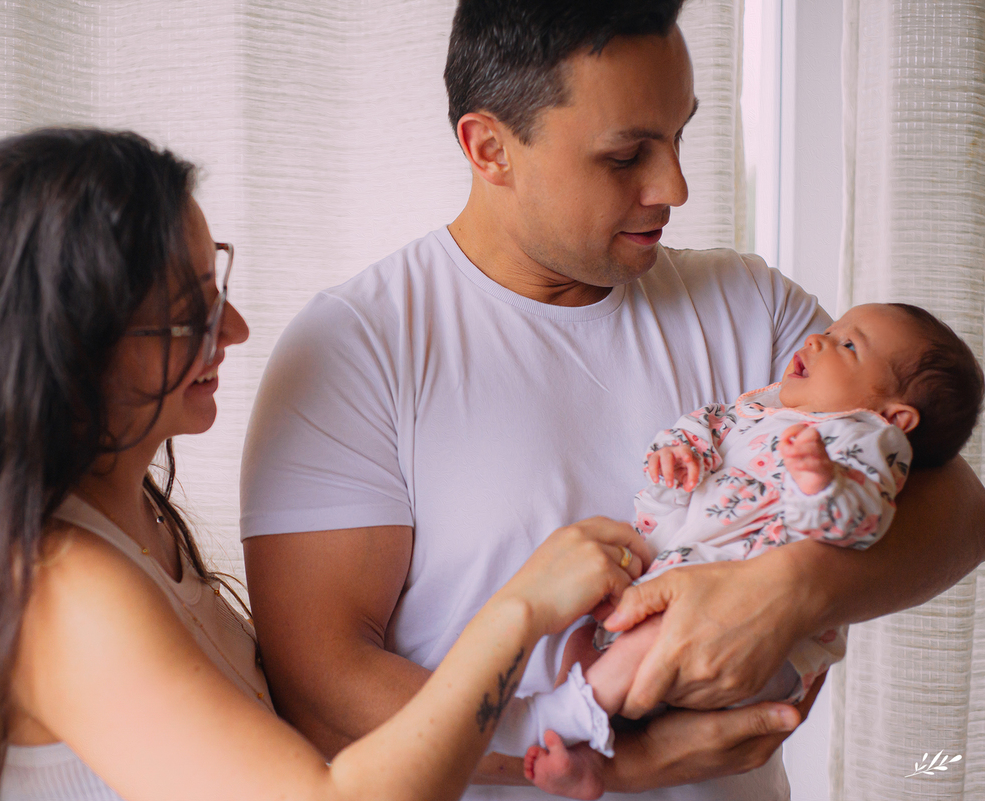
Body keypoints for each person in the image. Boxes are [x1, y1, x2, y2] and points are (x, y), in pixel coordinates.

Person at [238, 2, 985, 799]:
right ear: (489, 148)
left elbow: (956, 506)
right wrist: (624, 759)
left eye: (679, 135)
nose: (675, 186)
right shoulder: (357, 347)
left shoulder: (753, 306)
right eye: (627, 155)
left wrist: (788, 591)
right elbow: (322, 686)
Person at [0, 127, 656, 801]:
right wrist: (517, 611)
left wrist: (568, 737)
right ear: (65, 343)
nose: (233, 329)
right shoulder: (60, 587)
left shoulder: (141, 521)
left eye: (213, 287)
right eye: (185, 312)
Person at [522, 302, 985, 795]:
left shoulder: (863, 442)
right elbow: (703, 425)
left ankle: (552, 720)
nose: (816, 340)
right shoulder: (757, 409)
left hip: (757, 649)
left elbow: (865, 521)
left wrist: (821, 484)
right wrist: (679, 451)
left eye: (848, 345)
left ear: (893, 415)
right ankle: (585, 760)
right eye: (830, 331)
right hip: (669, 591)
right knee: (582, 640)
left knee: (637, 650)